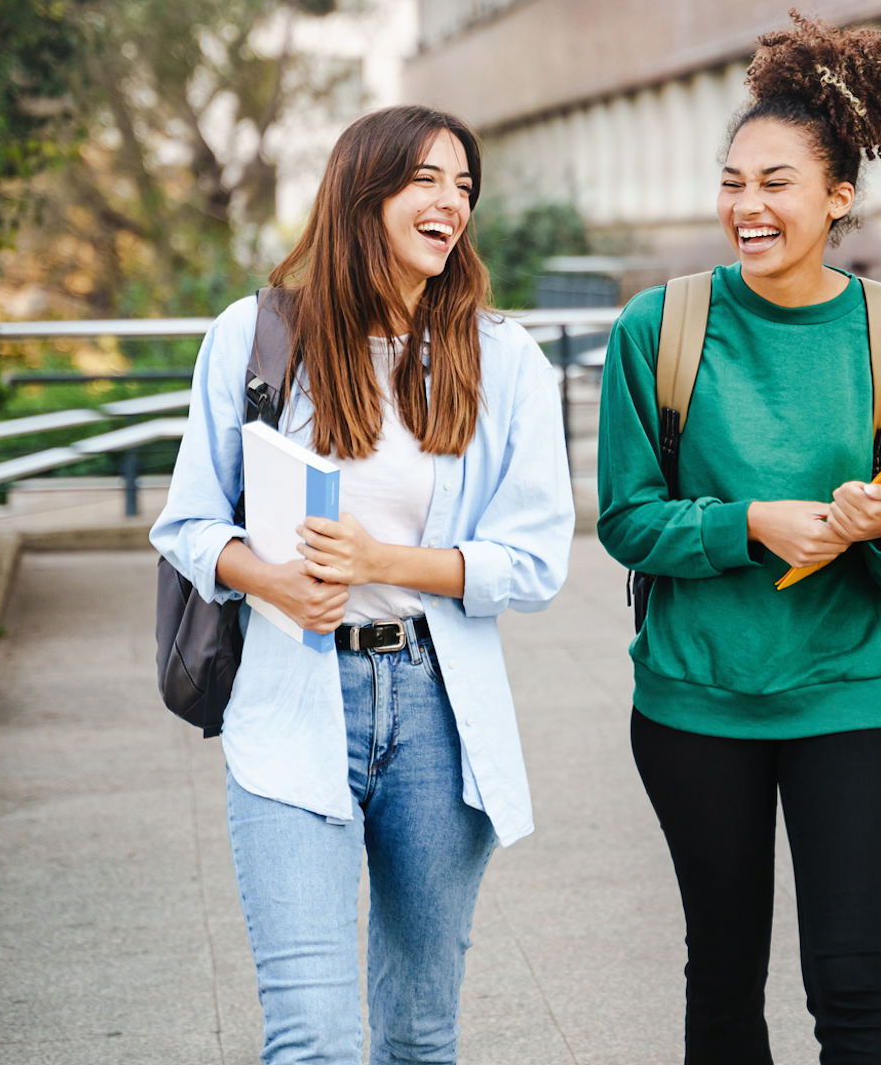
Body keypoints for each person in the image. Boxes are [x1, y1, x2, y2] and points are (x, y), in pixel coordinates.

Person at [151, 105, 573, 1065]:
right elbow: (186, 523)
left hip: (436, 711)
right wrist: (275, 582)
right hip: (294, 697)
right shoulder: (257, 337)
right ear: (363, 190)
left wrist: (384, 564)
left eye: (464, 185)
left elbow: (537, 558)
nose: (450, 201)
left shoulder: (501, 359)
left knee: (420, 1038)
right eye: (426, 178)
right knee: (314, 1041)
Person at [597, 13, 881, 1064]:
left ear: (838, 198)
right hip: (695, 699)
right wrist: (748, 523)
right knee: (723, 977)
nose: (746, 207)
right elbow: (624, 519)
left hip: (845, 691)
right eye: (732, 181)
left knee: (849, 977)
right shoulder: (658, 329)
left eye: (776, 183)